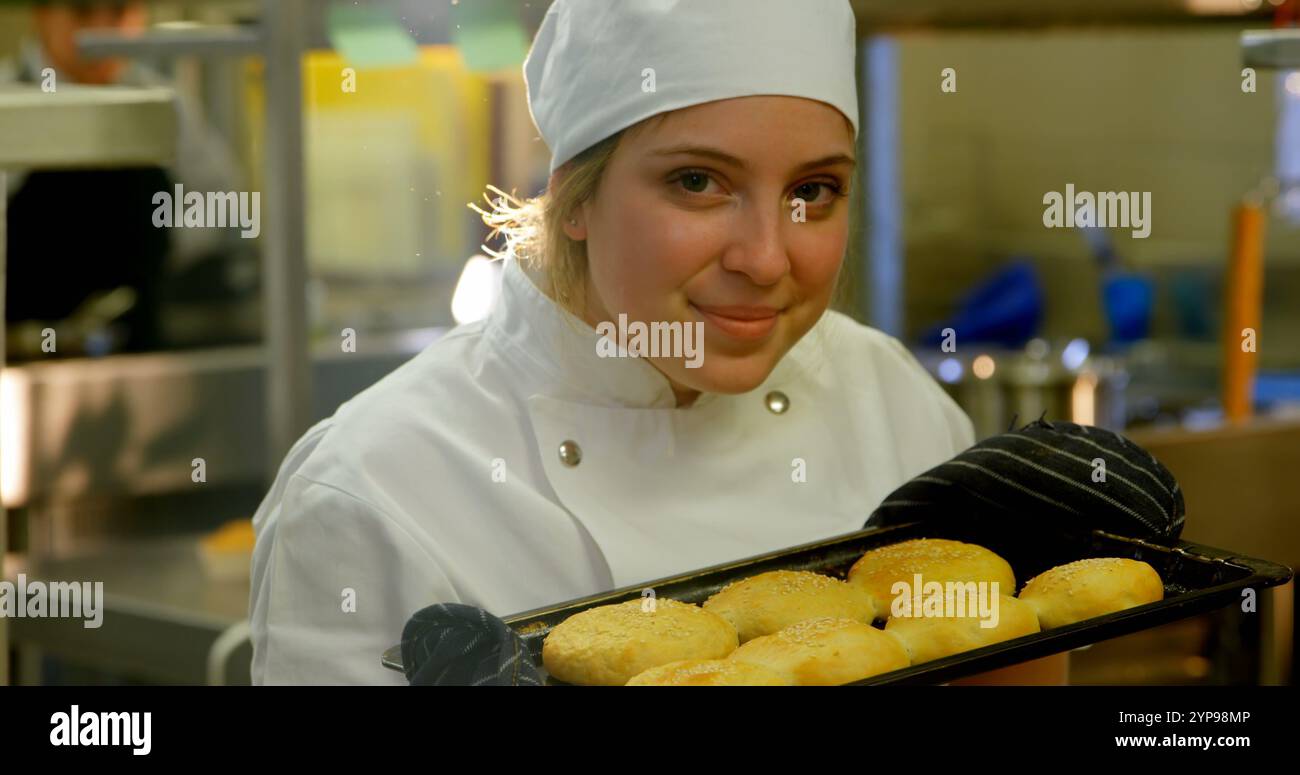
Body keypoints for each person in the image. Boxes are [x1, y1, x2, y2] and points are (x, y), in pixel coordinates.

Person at [249, 0, 976, 685]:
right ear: (574, 196)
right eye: (699, 181)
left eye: (813, 192)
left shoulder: (893, 404)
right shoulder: (371, 493)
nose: (765, 258)